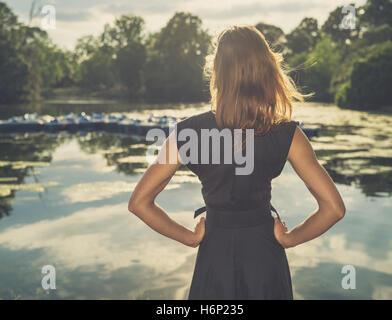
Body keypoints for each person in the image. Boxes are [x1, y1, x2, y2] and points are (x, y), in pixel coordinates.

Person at [128, 25, 346, 300]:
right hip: (265, 259)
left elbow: (139, 203)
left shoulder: (187, 133)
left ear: (218, 72)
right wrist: (290, 239)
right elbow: (334, 209)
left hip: (213, 257)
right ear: (266, 70)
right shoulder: (289, 135)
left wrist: (189, 237)